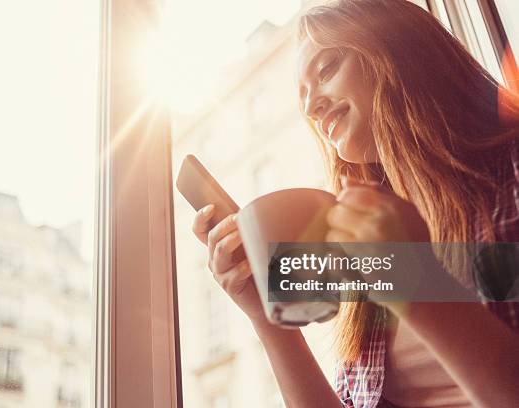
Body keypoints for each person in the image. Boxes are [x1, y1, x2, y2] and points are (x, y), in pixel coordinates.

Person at [191, 0, 519, 407]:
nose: (311, 107)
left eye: (326, 69)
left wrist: (415, 282)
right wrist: (270, 323)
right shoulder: (373, 246)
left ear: (399, 47)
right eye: (304, 98)